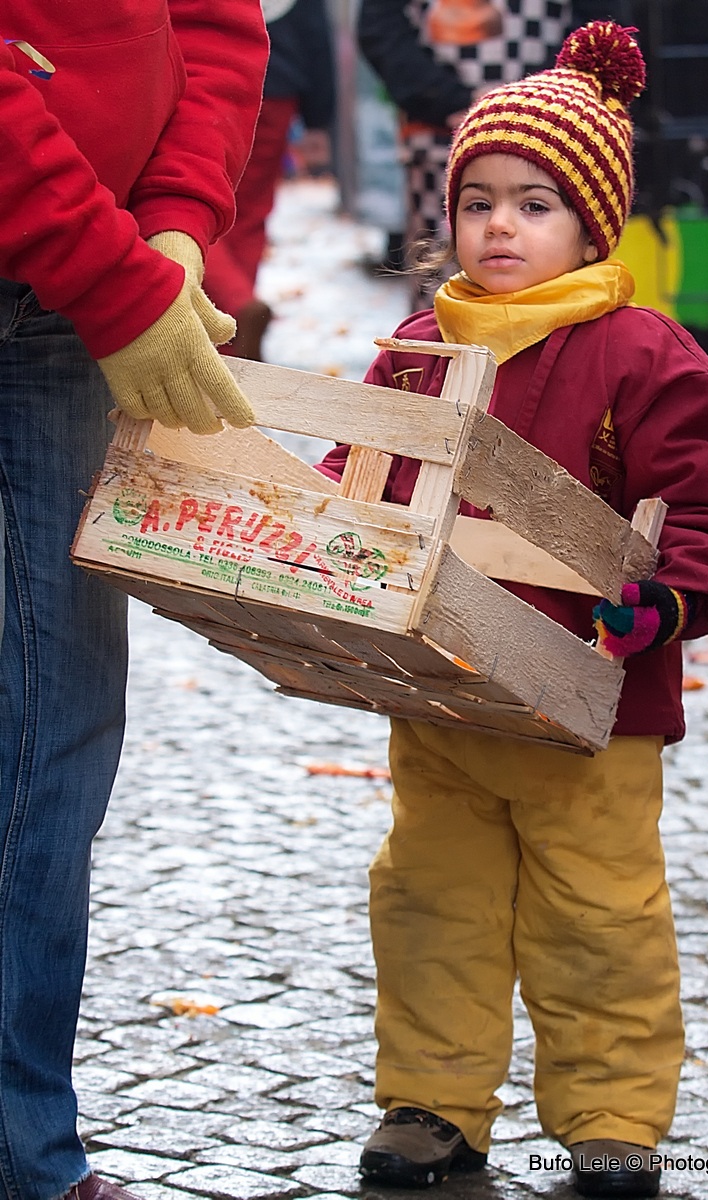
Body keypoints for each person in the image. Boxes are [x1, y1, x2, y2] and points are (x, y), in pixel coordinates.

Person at [315, 21, 708, 1199]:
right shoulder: (417, 348)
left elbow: (702, 499)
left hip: (587, 705)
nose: (500, 227)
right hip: (444, 691)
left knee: (596, 914)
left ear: (591, 222)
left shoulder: (640, 353)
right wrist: (320, 546)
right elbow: (364, 478)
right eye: (480, 202)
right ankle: (433, 1105)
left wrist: (670, 597)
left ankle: (612, 1119)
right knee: (429, 903)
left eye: (537, 203)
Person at [0, 6, 268, 1200]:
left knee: (51, 736)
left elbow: (215, 25)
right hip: (83, 278)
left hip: (69, 312)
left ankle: (24, 1155)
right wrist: (114, 269)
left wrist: (174, 224)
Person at [356, 0, 622, 306]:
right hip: (440, 137)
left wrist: (549, 97)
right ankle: (438, 354)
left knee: (553, 285)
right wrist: (448, 99)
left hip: (555, 132)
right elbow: (380, 26)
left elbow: (599, 21)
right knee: (440, 286)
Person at [203, 0, 337, 360]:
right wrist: (318, 118)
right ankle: (235, 329)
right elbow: (316, 34)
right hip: (277, 88)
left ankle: (232, 307)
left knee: (199, 202)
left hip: (209, 82)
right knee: (249, 212)